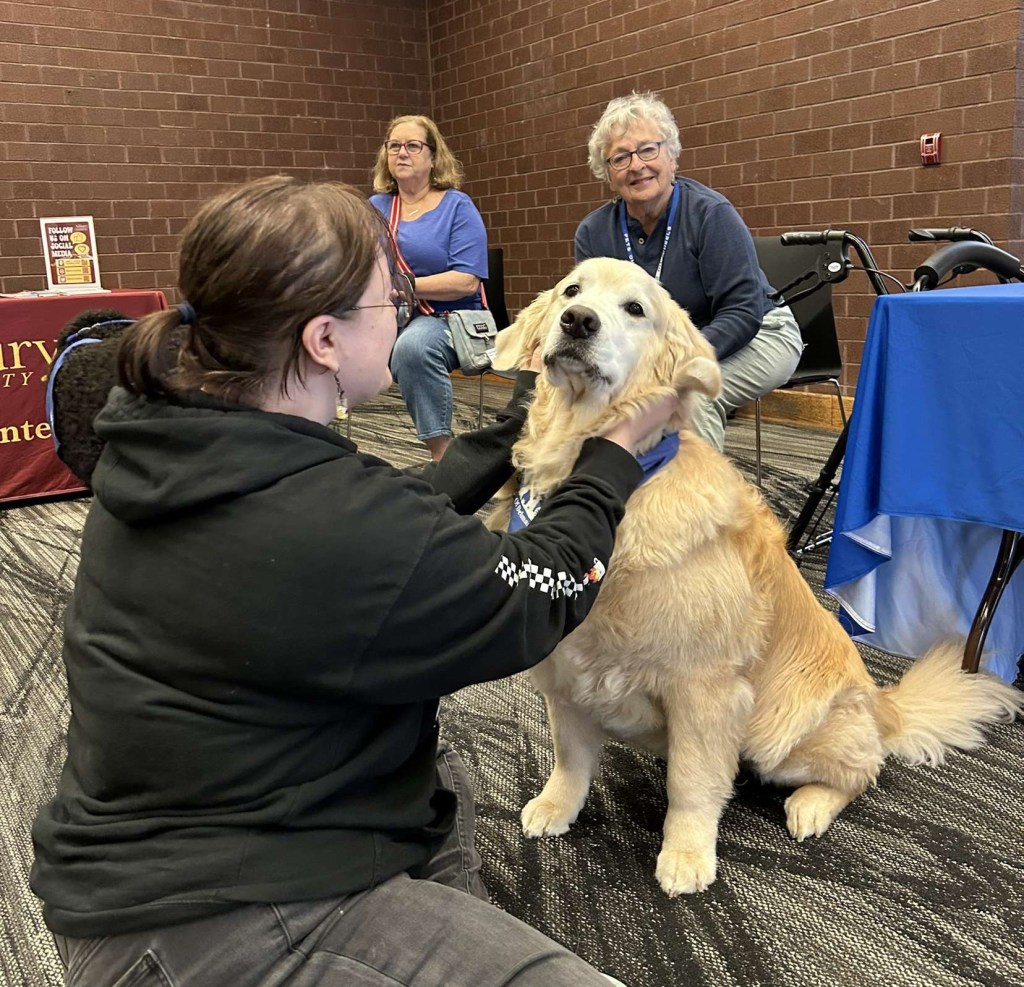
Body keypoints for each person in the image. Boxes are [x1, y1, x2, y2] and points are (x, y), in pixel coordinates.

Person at [30, 174, 680, 987]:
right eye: (391, 301)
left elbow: (392, 515)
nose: (402, 317)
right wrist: (611, 457)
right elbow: (537, 591)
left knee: (435, 767)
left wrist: (525, 422)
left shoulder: (182, 438)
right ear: (324, 340)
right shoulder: (332, 525)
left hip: (162, 853)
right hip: (216, 927)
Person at [575, 91, 804, 452]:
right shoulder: (593, 233)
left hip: (760, 333)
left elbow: (743, 312)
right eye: (620, 157)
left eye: (648, 150)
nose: (636, 165)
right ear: (608, 173)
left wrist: (671, 362)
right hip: (657, 352)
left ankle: (696, 488)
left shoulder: (711, 215)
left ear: (671, 156)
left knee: (689, 394)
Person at [370, 114, 488, 461]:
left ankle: (443, 457)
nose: (401, 153)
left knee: (413, 348)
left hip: (447, 318)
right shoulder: (376, 208)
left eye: (413, 145)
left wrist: (408, 285)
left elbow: (466, 280)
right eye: (394, 146)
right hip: (389, 315)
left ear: (433, 157)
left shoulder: (457, 206)